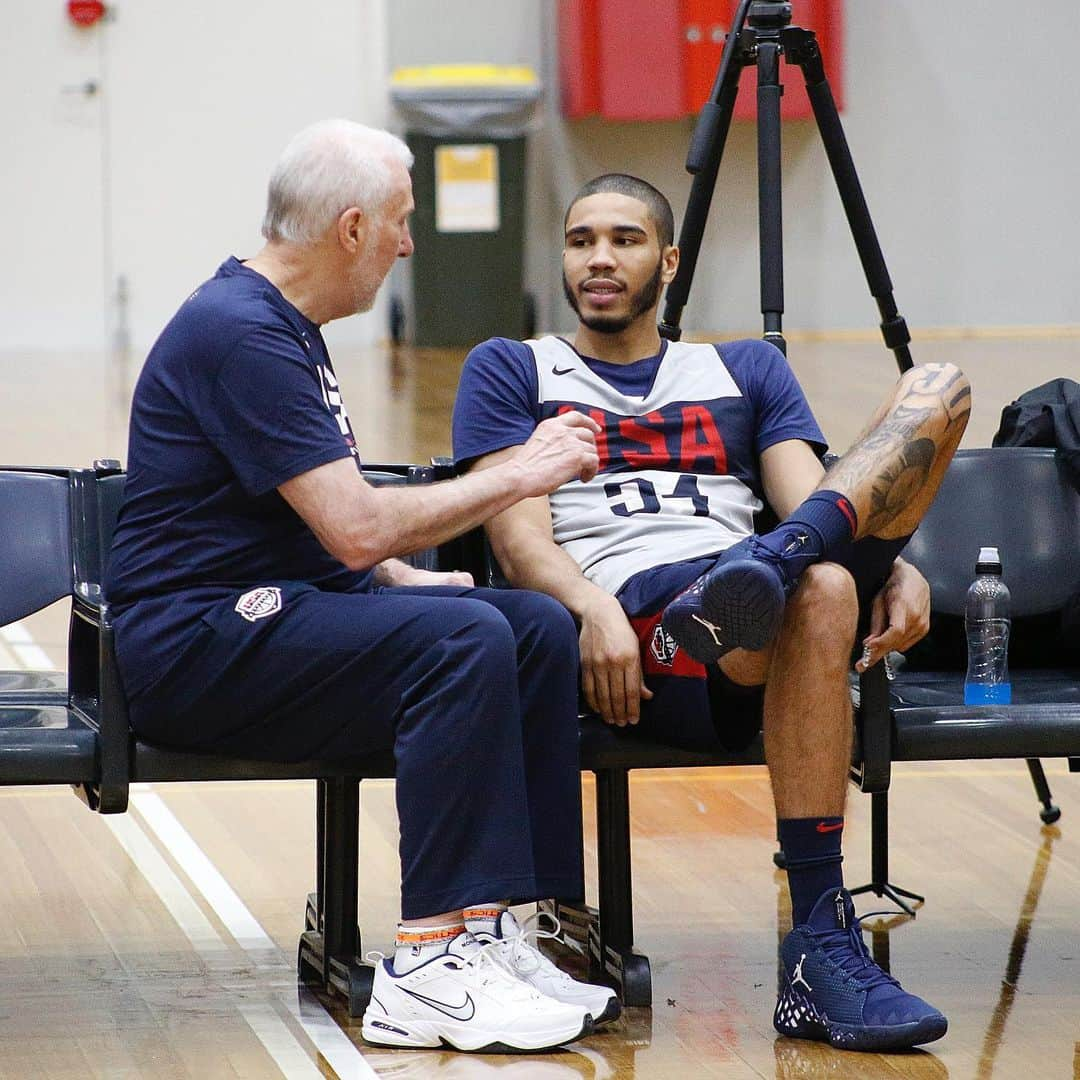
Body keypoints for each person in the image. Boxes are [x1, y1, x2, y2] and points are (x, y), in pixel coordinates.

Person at [103, 120, 621, 1054]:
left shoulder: (284, 327)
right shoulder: (239, 333)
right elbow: (351, 521)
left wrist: (394, 572)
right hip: (192, 642)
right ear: (349, 230)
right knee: (458, 642)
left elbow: (312, 518)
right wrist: (521, 469)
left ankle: (502, 925)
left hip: (277, 610)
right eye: (399, 221)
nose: (410, 243)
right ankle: (427, 964)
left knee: (533, 625)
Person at [452, 173, 972, 1052]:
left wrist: (898, 564)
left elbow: (811, 496)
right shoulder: (513, 367)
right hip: (642, 614)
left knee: (939, 390)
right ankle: (818, 937)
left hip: (755, 580)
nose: (600, 259)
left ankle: (768, 567)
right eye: (582, 241)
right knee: (829, 585)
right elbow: (518, 542)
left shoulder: (744, 368)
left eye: (624, 239)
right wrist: (588, 607)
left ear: (670, 259)